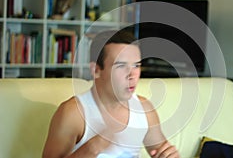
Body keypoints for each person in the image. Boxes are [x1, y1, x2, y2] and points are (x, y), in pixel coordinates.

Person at [42, 30, 180, 158]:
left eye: (136, 66)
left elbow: (161, 151)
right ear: (96, 70)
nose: (132, 75)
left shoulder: (144, 109)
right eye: (121, 66)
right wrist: (90, 149)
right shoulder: (73, 113)